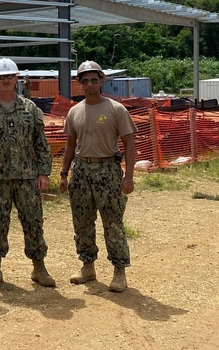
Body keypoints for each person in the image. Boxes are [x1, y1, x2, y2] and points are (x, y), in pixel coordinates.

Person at [0, 57, 56, 289]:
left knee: (33, 222)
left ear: (16, 78)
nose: (6, 80)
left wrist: (43, 172)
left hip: (27, 178)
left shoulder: (30, 109)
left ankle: (39, 268)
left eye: (10, 76)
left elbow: (41, 144)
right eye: (1, 77)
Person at [59, 60, 137, 293]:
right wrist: (64, 173)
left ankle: (119, 271)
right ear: (79, 83)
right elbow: (70, 144)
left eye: (94, 80)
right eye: (86, 81)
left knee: (112, 222)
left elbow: (129, 143)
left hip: (108, 171)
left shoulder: (115, 109)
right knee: (82, 221)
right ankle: (87, 266)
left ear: (102, 81)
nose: (90, 84)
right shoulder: (75, 111)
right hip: (81, 171)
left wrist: (129, 177)